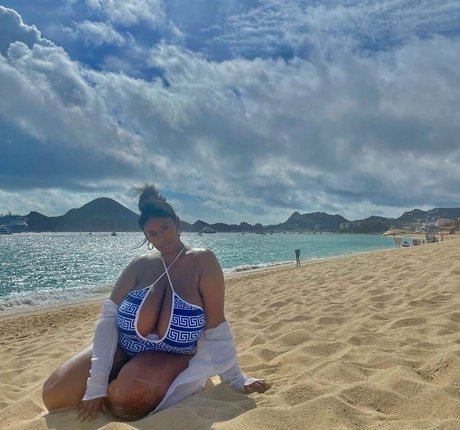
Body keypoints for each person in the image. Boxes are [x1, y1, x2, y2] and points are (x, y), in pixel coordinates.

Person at [42, 184, 268, 421]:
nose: (161, 238)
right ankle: (118, 373)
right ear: (146, 236)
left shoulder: (203, 261)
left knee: (125, 400)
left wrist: (235, 376)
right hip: (124, 346)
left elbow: (216, 325)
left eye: (165, 228)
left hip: (172, 353)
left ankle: (128, 378)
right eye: (153, 233)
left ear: (177, 224)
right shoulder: (140, 265)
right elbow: (107, 319)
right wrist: (97, 383)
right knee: (54, 394)